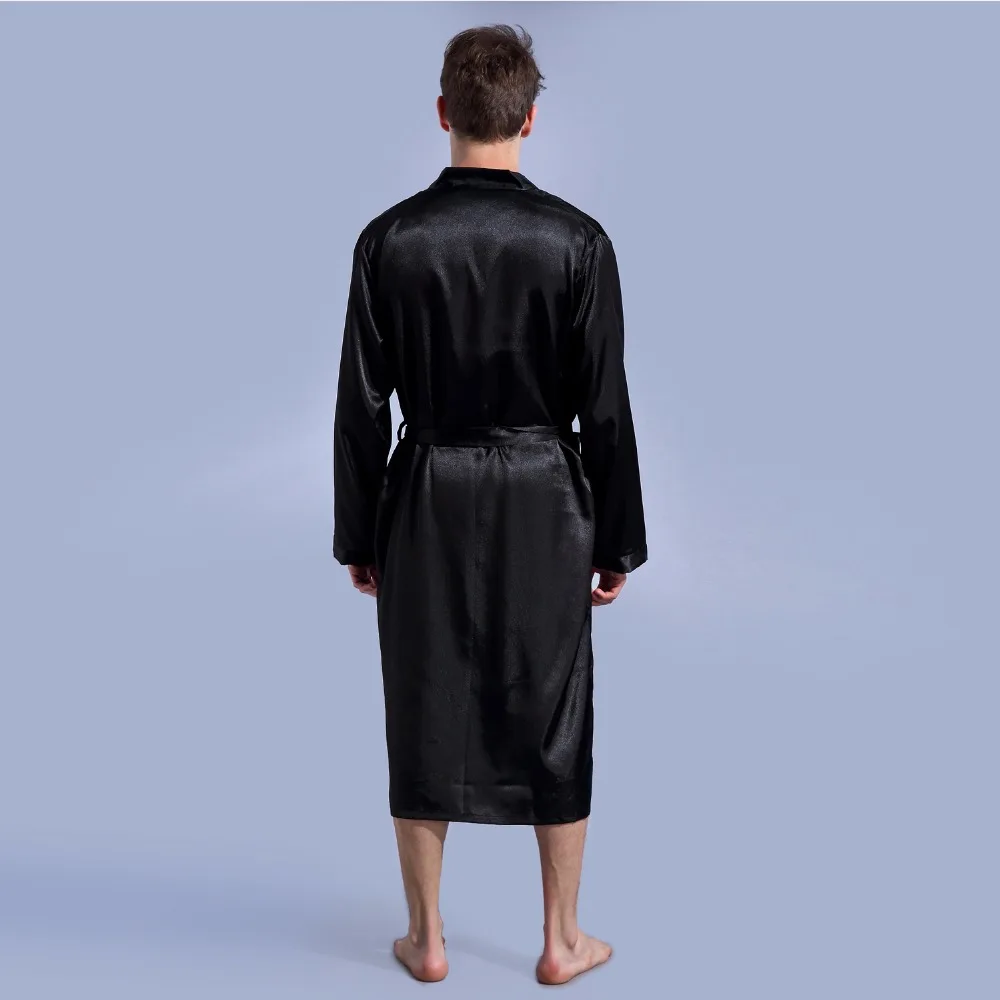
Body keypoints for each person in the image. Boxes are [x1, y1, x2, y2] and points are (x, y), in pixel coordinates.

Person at [332, 23, 647, 986]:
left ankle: (425, 940)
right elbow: (605, 407)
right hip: (546, 499)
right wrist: (617, 542)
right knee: (555, 709)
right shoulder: (578, 242)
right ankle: (561, 940)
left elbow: (361, 406)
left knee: (421, 701)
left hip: (426, 492)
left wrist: (359, 533)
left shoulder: (389, 241)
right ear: (530, 118)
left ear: (443, 112)